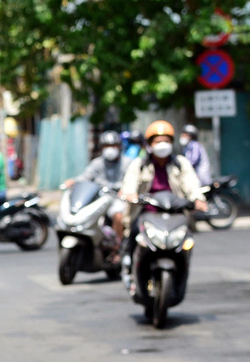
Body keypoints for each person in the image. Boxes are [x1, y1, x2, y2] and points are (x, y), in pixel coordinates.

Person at [119, 120, 208, 289]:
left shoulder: (180, 164)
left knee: (186, 240)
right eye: (158, 141)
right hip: (147, 213)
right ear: (150, 144)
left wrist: (198, 199)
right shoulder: (140, 164)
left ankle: (182, 273)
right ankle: (130, 267)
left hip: (175, 215)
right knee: (134, 234)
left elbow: (191, 184)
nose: (162, 145)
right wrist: (129, 194)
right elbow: (130, 183)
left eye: (166, 141)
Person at [64, 130, 132, 244]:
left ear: (119, 147)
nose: (110, 149)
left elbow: (133, 181)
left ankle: (117, 246)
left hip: (118, 199)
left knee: (118, 216)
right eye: (107, 146)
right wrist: (73, 181)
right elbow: (86, 177)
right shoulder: (97, 163)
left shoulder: (127, 163)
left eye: (113, 146)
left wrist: (126, 191)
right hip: (101, 198)